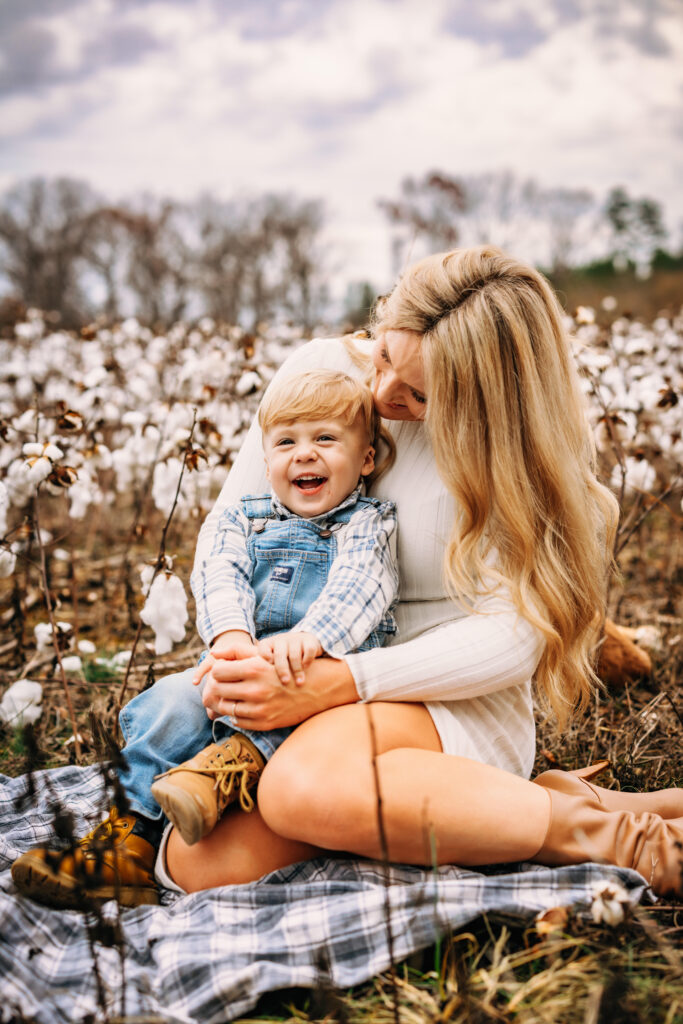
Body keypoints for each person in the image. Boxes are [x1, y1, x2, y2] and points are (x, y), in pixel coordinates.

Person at [13, 246, 683, 908]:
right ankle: (543, 803)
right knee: (194, 862)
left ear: (489, 399)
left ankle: (624, 841)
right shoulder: (319, 373)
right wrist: (237, 643)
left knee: (295, 793)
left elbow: (514, 638)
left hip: (442, 694)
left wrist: (344, 683)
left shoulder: (517, 458)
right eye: (386, 356)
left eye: (422, 394)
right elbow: (232, 532)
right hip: (299, 667)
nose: (383, 395)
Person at [11, 370, 399, 907]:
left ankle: (227, 769)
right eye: (287, 441)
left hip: (314, 678)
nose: (304, 455)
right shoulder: (241, 519)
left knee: (310, 726)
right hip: (235, 665)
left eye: (325, 439)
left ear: (367, 460)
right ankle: (127, 839)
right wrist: (233, 636)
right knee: (172, 701)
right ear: (266, 462)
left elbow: (363, 585)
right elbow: (219, 573)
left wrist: (311, 638)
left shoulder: (367, 525)